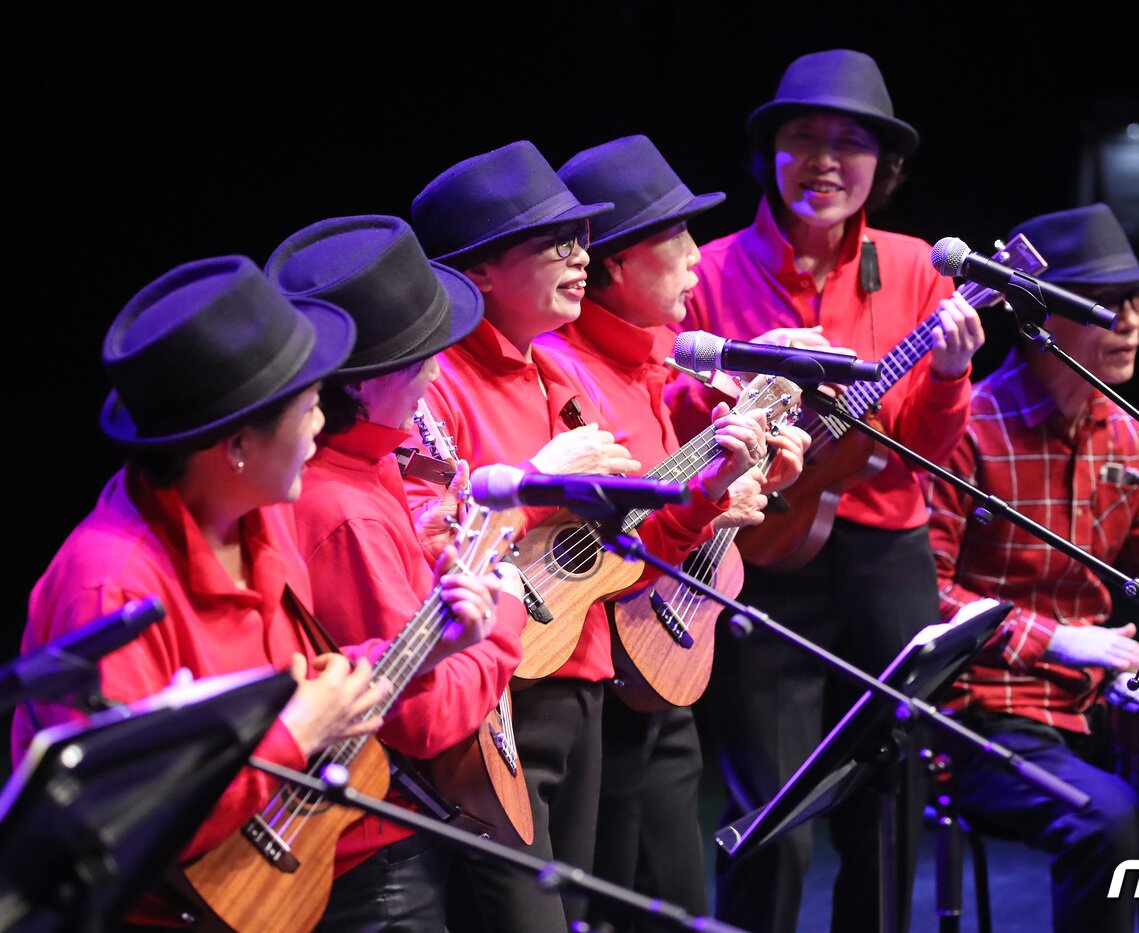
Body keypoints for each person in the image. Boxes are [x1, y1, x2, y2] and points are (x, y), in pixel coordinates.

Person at [12, 256, 496, 926]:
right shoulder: (108, 587)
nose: (322, 425)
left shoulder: (260, 515)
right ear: (237, 444)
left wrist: (424, 648)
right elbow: (114, 827)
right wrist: (294, 737)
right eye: (308, 407)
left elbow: (302, 686)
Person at [406, 140, 771, 930]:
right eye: (555, 243)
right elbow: (425, 548)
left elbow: (621, 559)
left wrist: (706, 495)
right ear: (479, 273)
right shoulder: (439, 385)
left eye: (580, 238)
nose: (581, 256)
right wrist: (535, 480)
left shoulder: (561, 378)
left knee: (574, 913)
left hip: (580, 680)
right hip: (495, 702)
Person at [669, 49, 985, 933]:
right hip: (759, 556)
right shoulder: (709, 272)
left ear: (883, 166)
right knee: (772, 814)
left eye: (851, 144)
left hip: (887, 557)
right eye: (804, 138)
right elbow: (672, 415)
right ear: (768, 154)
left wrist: (950, 376)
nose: (826, 161)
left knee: (889, 799)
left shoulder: (918, 267)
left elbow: (920, 452)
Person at [925, 203, 1139, 933]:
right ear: (1042, 318)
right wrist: (1054, 638)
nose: (1134, 319)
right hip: (981, 716)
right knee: (1107, 821)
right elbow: (927, 597)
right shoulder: (966, 428)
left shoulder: (1129, 436)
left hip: (1101, 706)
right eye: (1109, 301)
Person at [549, 134, 809, 931]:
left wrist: (760, 474)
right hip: (595, 674)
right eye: (676, 236)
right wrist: (709, 499)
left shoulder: (671, 355)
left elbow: (699, 497)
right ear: (615, 264)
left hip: (664, 652)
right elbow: (600, 536)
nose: (698, 255)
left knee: (675, 905)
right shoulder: (562, 369)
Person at [266, 214, 527, 930]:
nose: (436, 375)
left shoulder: (370, 466)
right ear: (362, 383)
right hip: (374, 859)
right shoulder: (343, 507)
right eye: (420, 360)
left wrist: (426, 562)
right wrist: (506, 612)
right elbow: (425, 717)